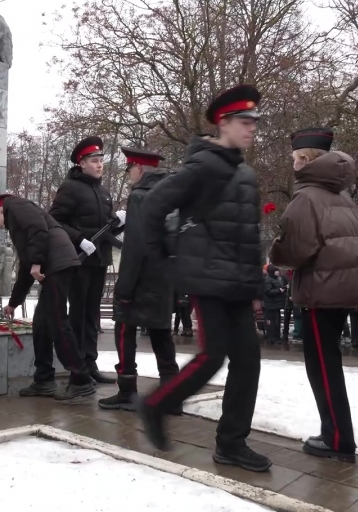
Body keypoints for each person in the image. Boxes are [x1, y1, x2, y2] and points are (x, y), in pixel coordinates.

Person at [136, 84, 269, 473]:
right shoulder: (204, 166)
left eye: (254, 123)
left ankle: (231, 444)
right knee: (213, 356)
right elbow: (153, 207)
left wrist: (255, 286)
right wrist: (165, 264)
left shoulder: (244, 170)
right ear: (223, 122)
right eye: (245, 122)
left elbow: (248, 233)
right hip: (208, 281)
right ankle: (155, 404)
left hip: (239, 284)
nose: (251, 129)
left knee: (248, 361)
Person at [269, 126, 358, 464]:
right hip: (343, 288)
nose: (292, 166)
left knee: (322, 366)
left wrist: (275, 255)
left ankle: (337, 437)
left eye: (295, 159)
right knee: (331, 362)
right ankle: (337, 432)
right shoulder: (343, 195)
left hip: (319, 290)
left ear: (305, 160)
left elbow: (296, 248)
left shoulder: (307, 196)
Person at [0, 193, 96, 401]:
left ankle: (81, 380)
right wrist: (14, 303)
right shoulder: (17, 222)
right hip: (54, 265)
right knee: (42, 324)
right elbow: (26, 268)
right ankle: (44, 379)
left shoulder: (14, 205)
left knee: (58, 322)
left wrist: (36, 262)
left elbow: (39, 231)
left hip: (57, 264)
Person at [99, 147, 180, 412]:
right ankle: (172, 395)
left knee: (124, 331)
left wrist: (124, 287)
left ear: (140, 168)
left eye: (130, 169)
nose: (130, 174)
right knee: (161, 334)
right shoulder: (173, 195)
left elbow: (135, 246)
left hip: (141, 278)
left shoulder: (139, 197)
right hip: (165, 276)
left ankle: (127, 391)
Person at [49, 136, 120, 385]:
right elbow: (54, 220)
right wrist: (79, 239)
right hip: (79, 261)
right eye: (94, 160)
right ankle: (77, 366)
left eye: (101, 160)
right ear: (81, 163)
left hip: (99, 260)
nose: (99, 165)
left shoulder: (103, 191)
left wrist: (118, 225)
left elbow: (105, 229)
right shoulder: (70, 188)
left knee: (93, 316)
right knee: (78, 315)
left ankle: (91, 362)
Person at [262, 265, 288, 344]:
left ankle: (277, 337)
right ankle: (272, 338)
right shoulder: (268, 280)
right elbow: (268, 292)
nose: (278, 272)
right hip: (270, 306)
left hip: (276, 305)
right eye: (276, 271)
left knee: (277, 322)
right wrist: (279, 290)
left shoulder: (276, 279)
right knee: (271, 323)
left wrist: (282, 289)